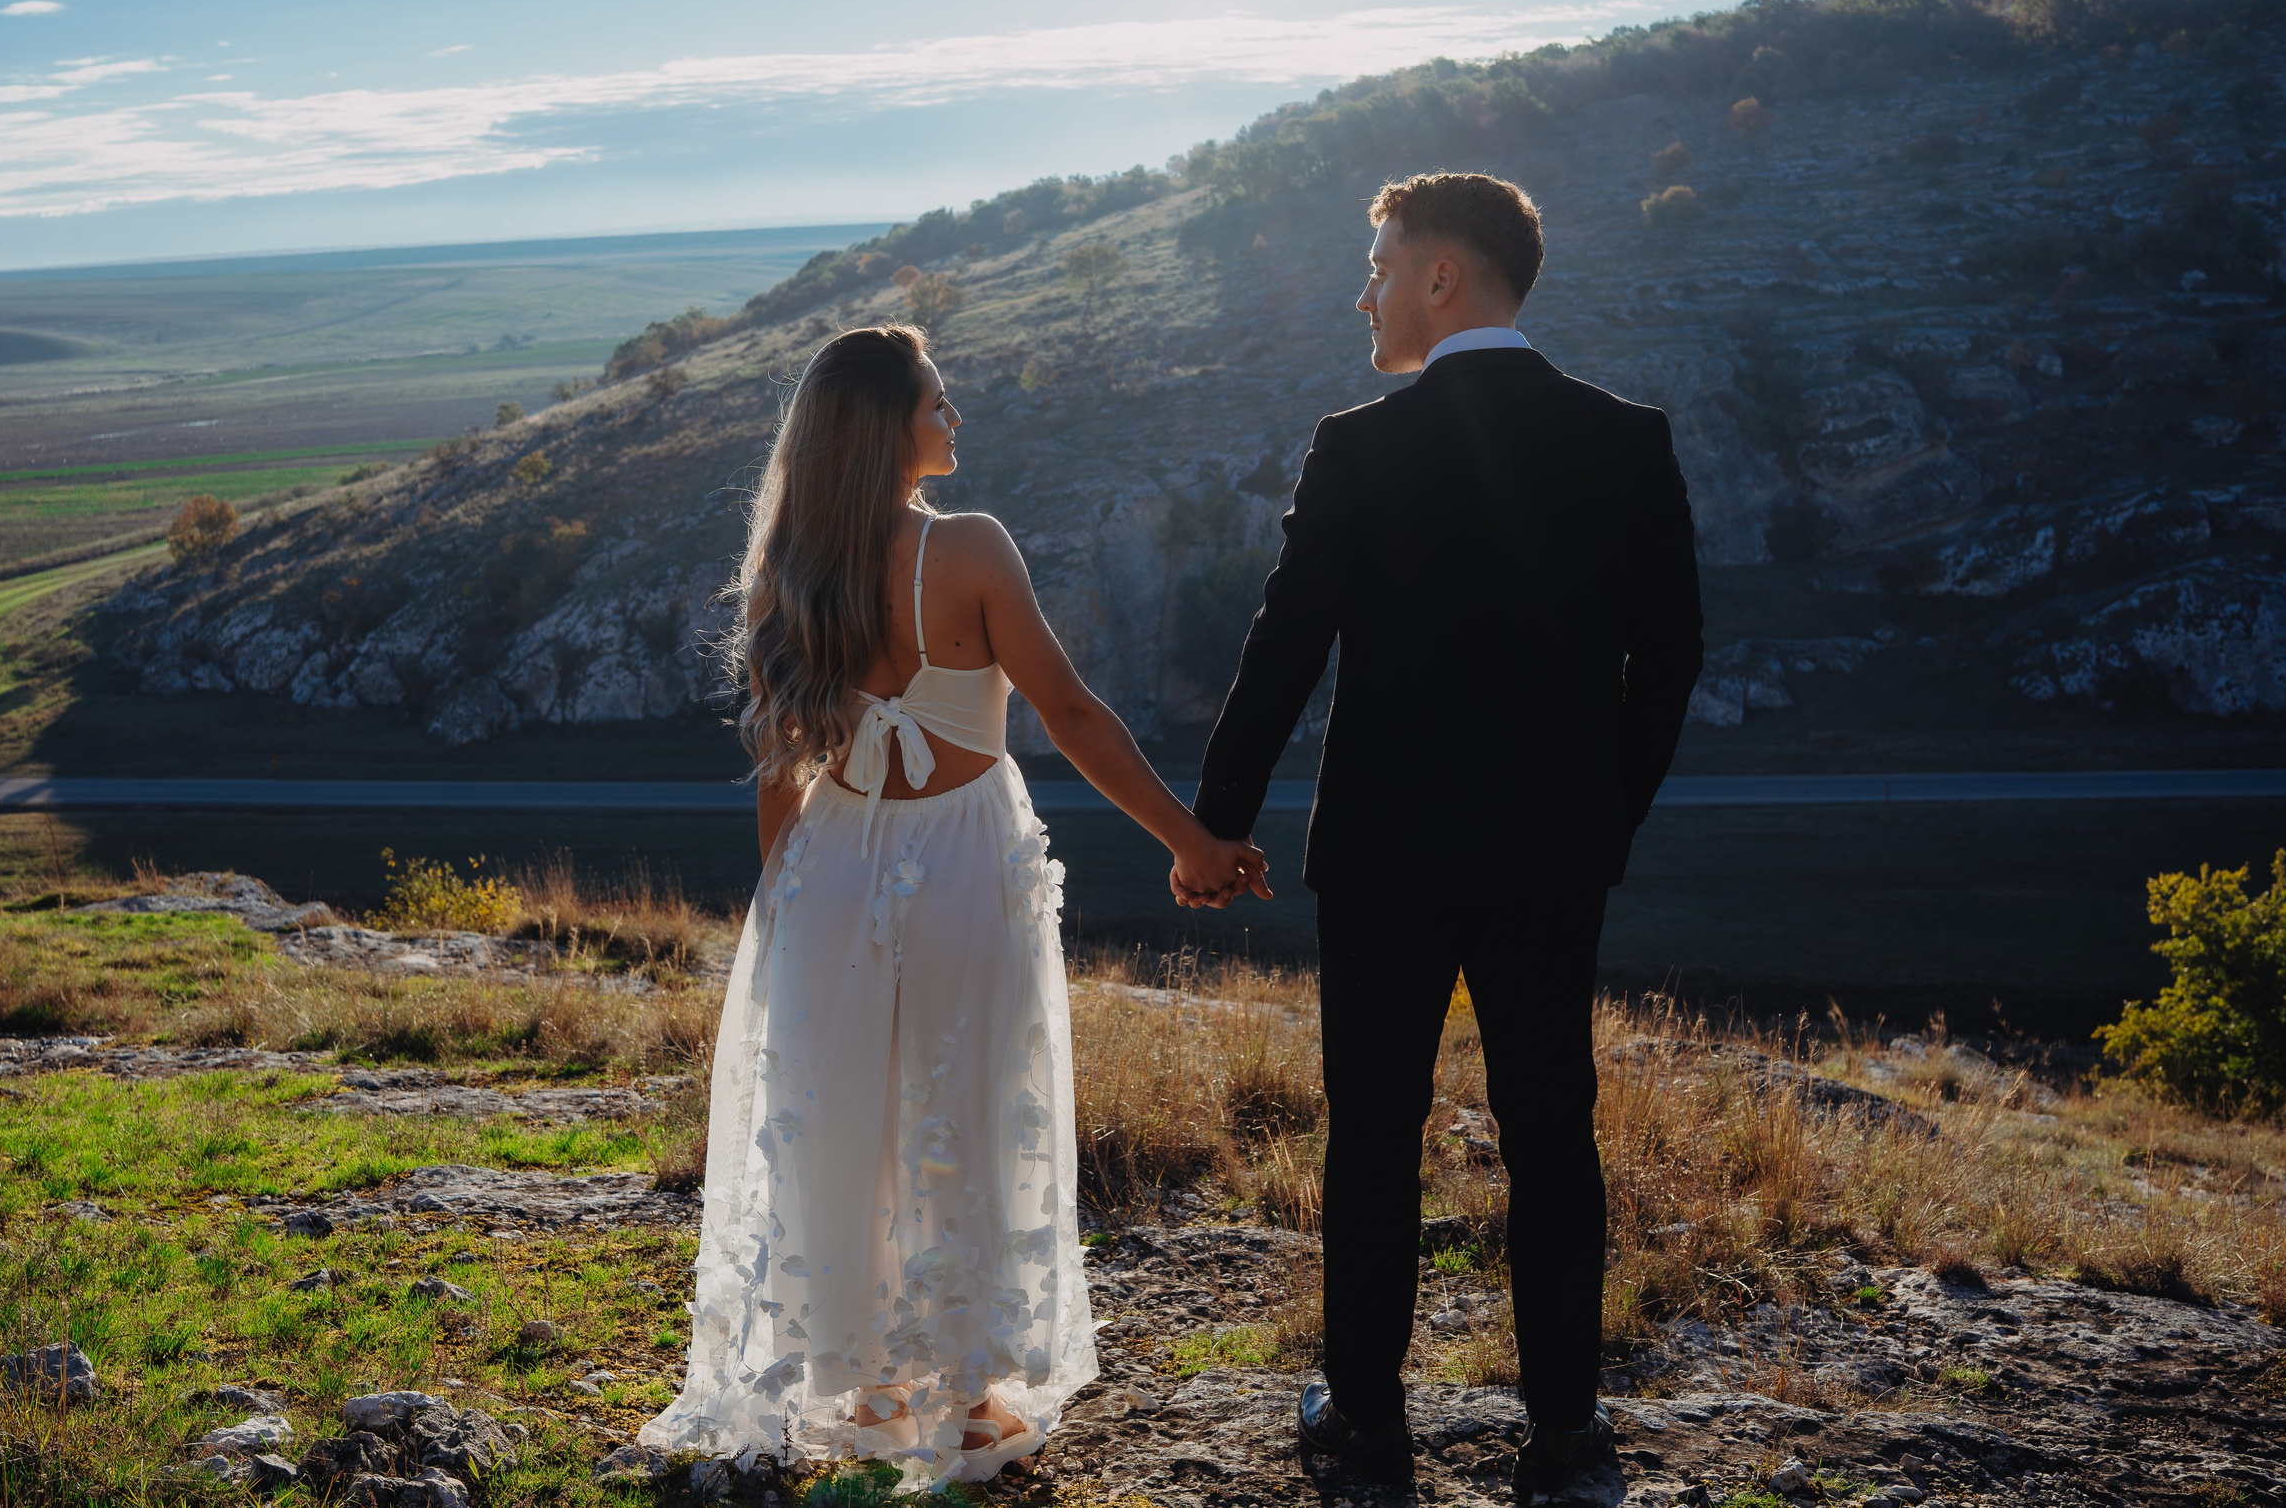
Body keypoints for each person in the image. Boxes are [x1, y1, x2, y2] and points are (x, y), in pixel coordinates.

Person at [641, 324, 1265, 1488]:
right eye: (939, 398)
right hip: (961, 859)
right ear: (890, 426)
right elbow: (1071, 715)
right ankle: (968, 1393)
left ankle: (870, 1374)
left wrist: (781, 904)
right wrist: (1193, 842)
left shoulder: (790, 563)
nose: (955, 413)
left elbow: (782, 766)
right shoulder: (968, 549)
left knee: (845, 1108)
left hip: (832, 856)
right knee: (967, 1096)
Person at [1185, 173, 1704, 1497]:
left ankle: (1366, 1416)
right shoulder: (1627, 439)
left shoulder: (1357, 446)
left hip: (1381, 854)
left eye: (1377, 264)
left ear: (1441, 279)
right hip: (1552, 855)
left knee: (1373, 1130)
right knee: (1552, 1128)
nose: (1362, 292)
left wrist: (1215, 827)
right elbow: (1676, 654)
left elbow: (1284, 643)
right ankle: (1565, 1427)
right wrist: (1606, 814)